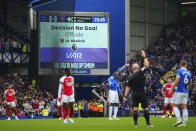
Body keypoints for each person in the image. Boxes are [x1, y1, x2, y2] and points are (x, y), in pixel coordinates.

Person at [123, 50, 153, 128]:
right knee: (146, 109)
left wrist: (125, 96)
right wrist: (144, 57)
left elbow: (127, 87)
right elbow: (146, 66)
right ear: (138, 67)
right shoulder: (140, 72)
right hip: (142, 94)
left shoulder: (130, 77)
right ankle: (148, 124)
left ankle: (136, 124)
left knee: (135, 109)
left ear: (133, 68)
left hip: (134, 94)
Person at [169, 60, 192, 127]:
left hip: (179, 91)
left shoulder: (179, 71)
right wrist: (188, 90)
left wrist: (171, 88)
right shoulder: (189, 73)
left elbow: (177, 81)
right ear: (186, 65)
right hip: (185, 92)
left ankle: (179, 120)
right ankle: (184, 123)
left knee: (174, 105)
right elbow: (190, 84)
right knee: (184, 107)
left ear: (180, 65)